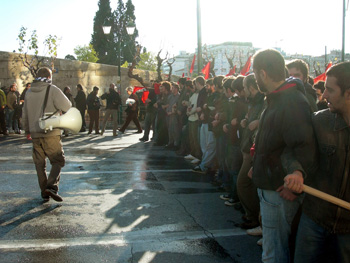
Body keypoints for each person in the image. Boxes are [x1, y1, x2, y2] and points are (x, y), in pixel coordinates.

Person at [251, 49, 317, 262]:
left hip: (279, 190)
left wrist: (296, 184)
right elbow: (273, 140)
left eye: (254, 74)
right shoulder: (277, 98)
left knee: (275, 253)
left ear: (262, 73)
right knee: (274, 250)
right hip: (272, 186)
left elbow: (304, 146)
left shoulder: (291, 101)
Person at [285, 62, 350, 263]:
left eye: (330, 90)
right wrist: (296, 171)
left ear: (348, 93)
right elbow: (292, 150)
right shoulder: (319, 121)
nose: (324, 95)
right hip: (314, 219)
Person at [22, 67, 71, 202]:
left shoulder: (29, 92)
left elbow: (24, 114)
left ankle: (44, 191)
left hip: (35, 133)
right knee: (58, 160)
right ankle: (51, 186)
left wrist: (27, 130)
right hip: (51, 131)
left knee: (39, 163)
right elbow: (67, 105)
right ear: (49, 77)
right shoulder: (52, 89)